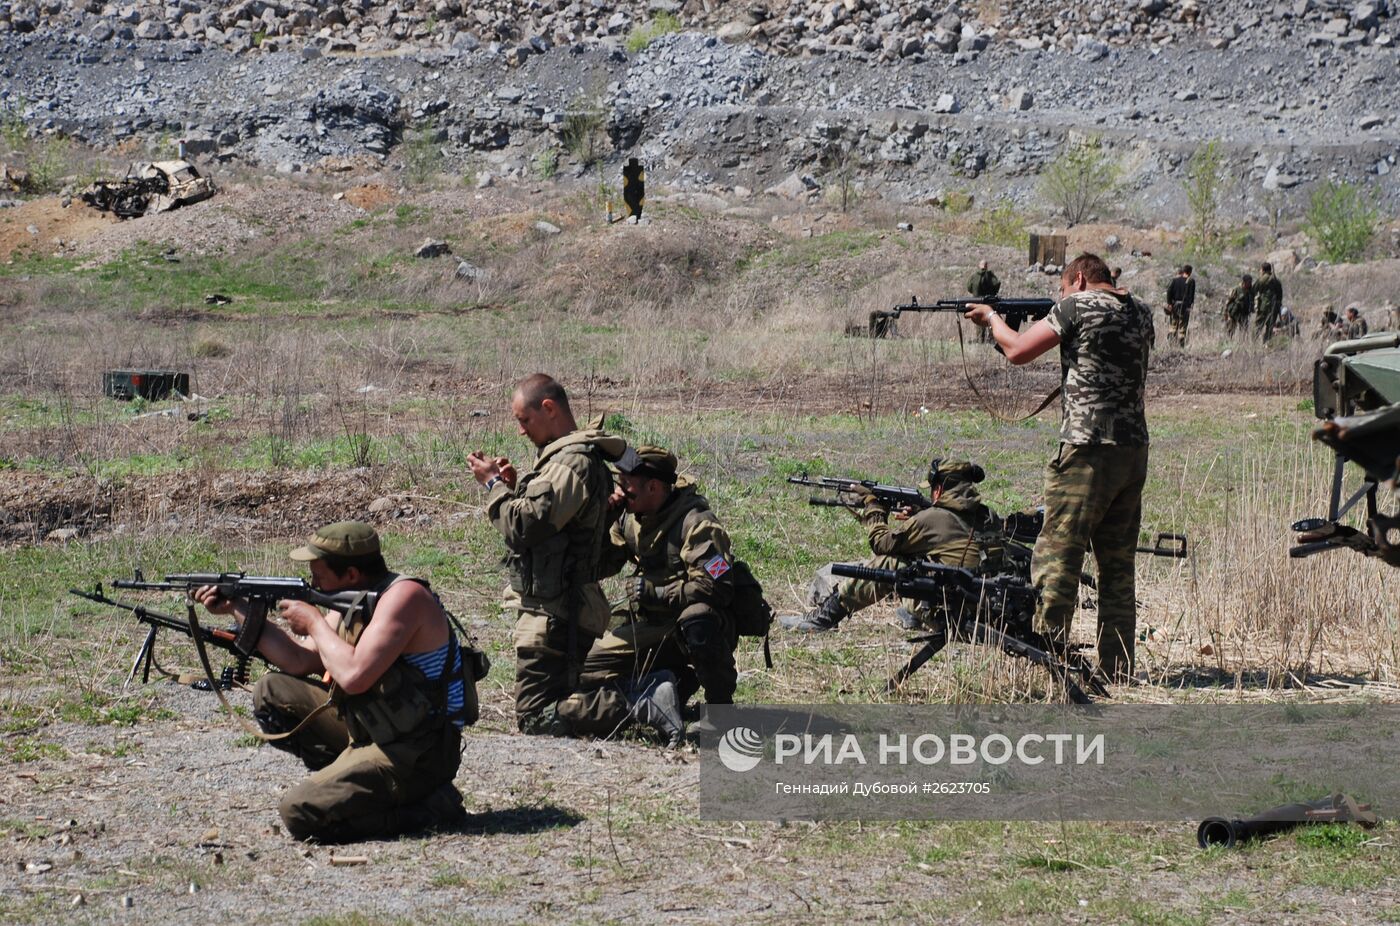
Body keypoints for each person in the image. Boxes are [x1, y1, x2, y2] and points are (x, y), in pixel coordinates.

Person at [194, 521, 471, 842]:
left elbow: (354, 677)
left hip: (417, 751)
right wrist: (237, 610)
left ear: (351, 574)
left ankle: (428, 808)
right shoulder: (354, 599)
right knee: (272, 691)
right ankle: (356, 783)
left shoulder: (405, 599)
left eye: (318, 576)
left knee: (298, 811)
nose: (313, 582)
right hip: (374, 728)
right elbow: (299, 659)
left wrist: (313, 622)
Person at [965, 253, 1153, 683]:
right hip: (1132, 450)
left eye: (1063, 289)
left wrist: (992, 320)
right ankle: (1117, 668)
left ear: (1079, 279)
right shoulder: (1140, 311)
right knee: (1118, 567)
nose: (1061, 297)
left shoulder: (1075, 306)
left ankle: (1048, 661)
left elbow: (1016, 351)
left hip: (1087, 451)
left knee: (1058, 560)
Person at [467, 374, 681, 742]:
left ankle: (641, 699)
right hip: (559, 607)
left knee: (535, 717)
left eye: (524, 420)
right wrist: (515, 486)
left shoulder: (572, 462)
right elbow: (559, 530)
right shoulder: (572, 459)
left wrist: (492, 486)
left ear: (548, 408)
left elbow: (524, 526)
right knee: (556, 704)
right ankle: (647, 692)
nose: (521, 431)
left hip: (556, 613)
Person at [585, 445, 746, 718]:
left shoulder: (698, 524)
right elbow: (602, 566)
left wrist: (658, 593)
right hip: (650, 625)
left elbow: (718, 586)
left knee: (697, 619)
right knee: (585, 670)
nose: (620, 491)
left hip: (692, 625)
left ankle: (720, 708)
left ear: (654, 487)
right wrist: (602, 523)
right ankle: (671, 683)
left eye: (627, 484)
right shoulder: (628, 517)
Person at [781, 459, 1002, 633]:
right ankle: (913, 614)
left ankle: (824, 618)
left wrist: (874, 508)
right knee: (924, 561)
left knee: (890, 563)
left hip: (951, 615)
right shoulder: (988, 515)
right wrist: (920, 515)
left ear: (939, 489)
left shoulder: (932, 519)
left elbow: (881, 544)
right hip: (985, 613)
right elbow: (949, 546)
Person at [967, 259, 1002, 343]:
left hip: (977, 301)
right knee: (991, 319)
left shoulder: (974, 276)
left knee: (979, 320)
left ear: (979, 266)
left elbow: (969, 287)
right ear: (986, 266)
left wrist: (975, 293)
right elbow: (997, 284)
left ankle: (980, 339)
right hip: (989, 302)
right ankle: (991, 338)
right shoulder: (990, 275)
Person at [1164, 265, 1195, 348]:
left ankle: (1171, 345)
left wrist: (1169, 303)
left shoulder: (1175, 280)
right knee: (1182, 327)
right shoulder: (1191, 281)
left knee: (1173, 326)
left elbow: (1169, 291)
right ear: (1190, 272)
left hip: (1175, 306)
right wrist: (1190, 306)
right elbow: (1191, 296)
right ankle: (1181, 346)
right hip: (1185, 307)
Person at [1254, 262, 1284, 342]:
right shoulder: (1277, 281)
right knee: (1269, 328)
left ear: (1263, 270)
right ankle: (1266, 344)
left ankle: (1253, 343)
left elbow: (1254, 290)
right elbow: (1280, 296)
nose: (1260, 271)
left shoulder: (1262, 279)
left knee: (1258, 326)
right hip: (1275, 308)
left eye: (1260, 270)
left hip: (1264, 307)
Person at [622, 157, 645, 222]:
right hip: (631, 193)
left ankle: (636, 215)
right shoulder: (628, 170)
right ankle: (634, 216)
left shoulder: (638, 170)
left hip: (636, 193)